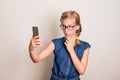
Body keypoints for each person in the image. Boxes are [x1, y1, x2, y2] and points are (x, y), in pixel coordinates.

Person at [29, 10, 91, 80]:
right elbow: (36, 59)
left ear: (77, 27)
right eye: (63, 26)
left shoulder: (85, 46)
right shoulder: (56, 43)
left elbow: (82, 71)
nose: (66, 30)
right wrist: (31, 49)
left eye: (70, 27)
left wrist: (71, 50)